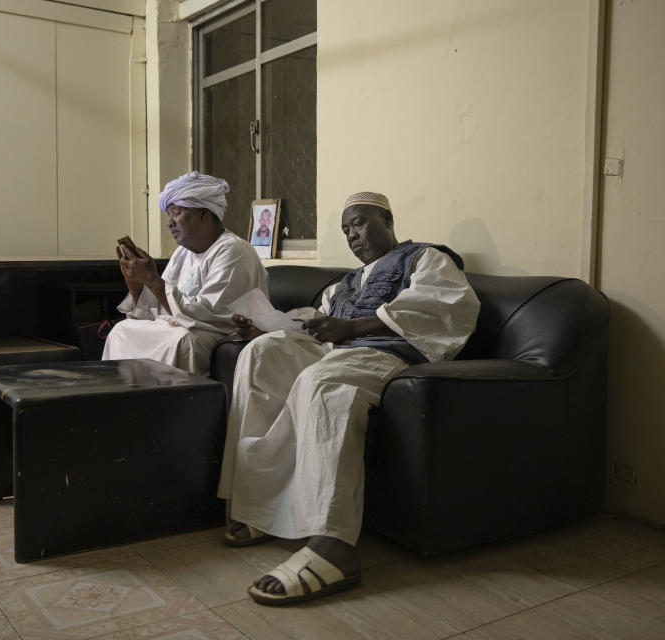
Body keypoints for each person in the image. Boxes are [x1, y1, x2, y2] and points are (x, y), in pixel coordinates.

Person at [217, 191, 481, 605]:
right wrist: (267, 329)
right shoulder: (344, 283)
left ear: (388, 219)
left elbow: (446, 308)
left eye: (358, 223)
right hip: (334, 350)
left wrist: (353, 328)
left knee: (323, 383)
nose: (352, 235)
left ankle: (333, 545)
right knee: (260, 355)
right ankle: (262, 509)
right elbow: (316, 323)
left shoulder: (425, 258)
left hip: (384, 354)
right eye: (345, 230)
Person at [102, 171, 269, 377]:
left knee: (183, 341)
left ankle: (173, 406)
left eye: (176, 213)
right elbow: (161, 308)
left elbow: (210, 313)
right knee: (123, 330)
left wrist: (153, 279)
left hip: (218, 329)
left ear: (204, 214)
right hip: (188, 323)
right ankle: (123, 400)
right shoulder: (183, 253)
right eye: (169, 215)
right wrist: (136, 283)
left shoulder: (234, 250)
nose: (169, 223)